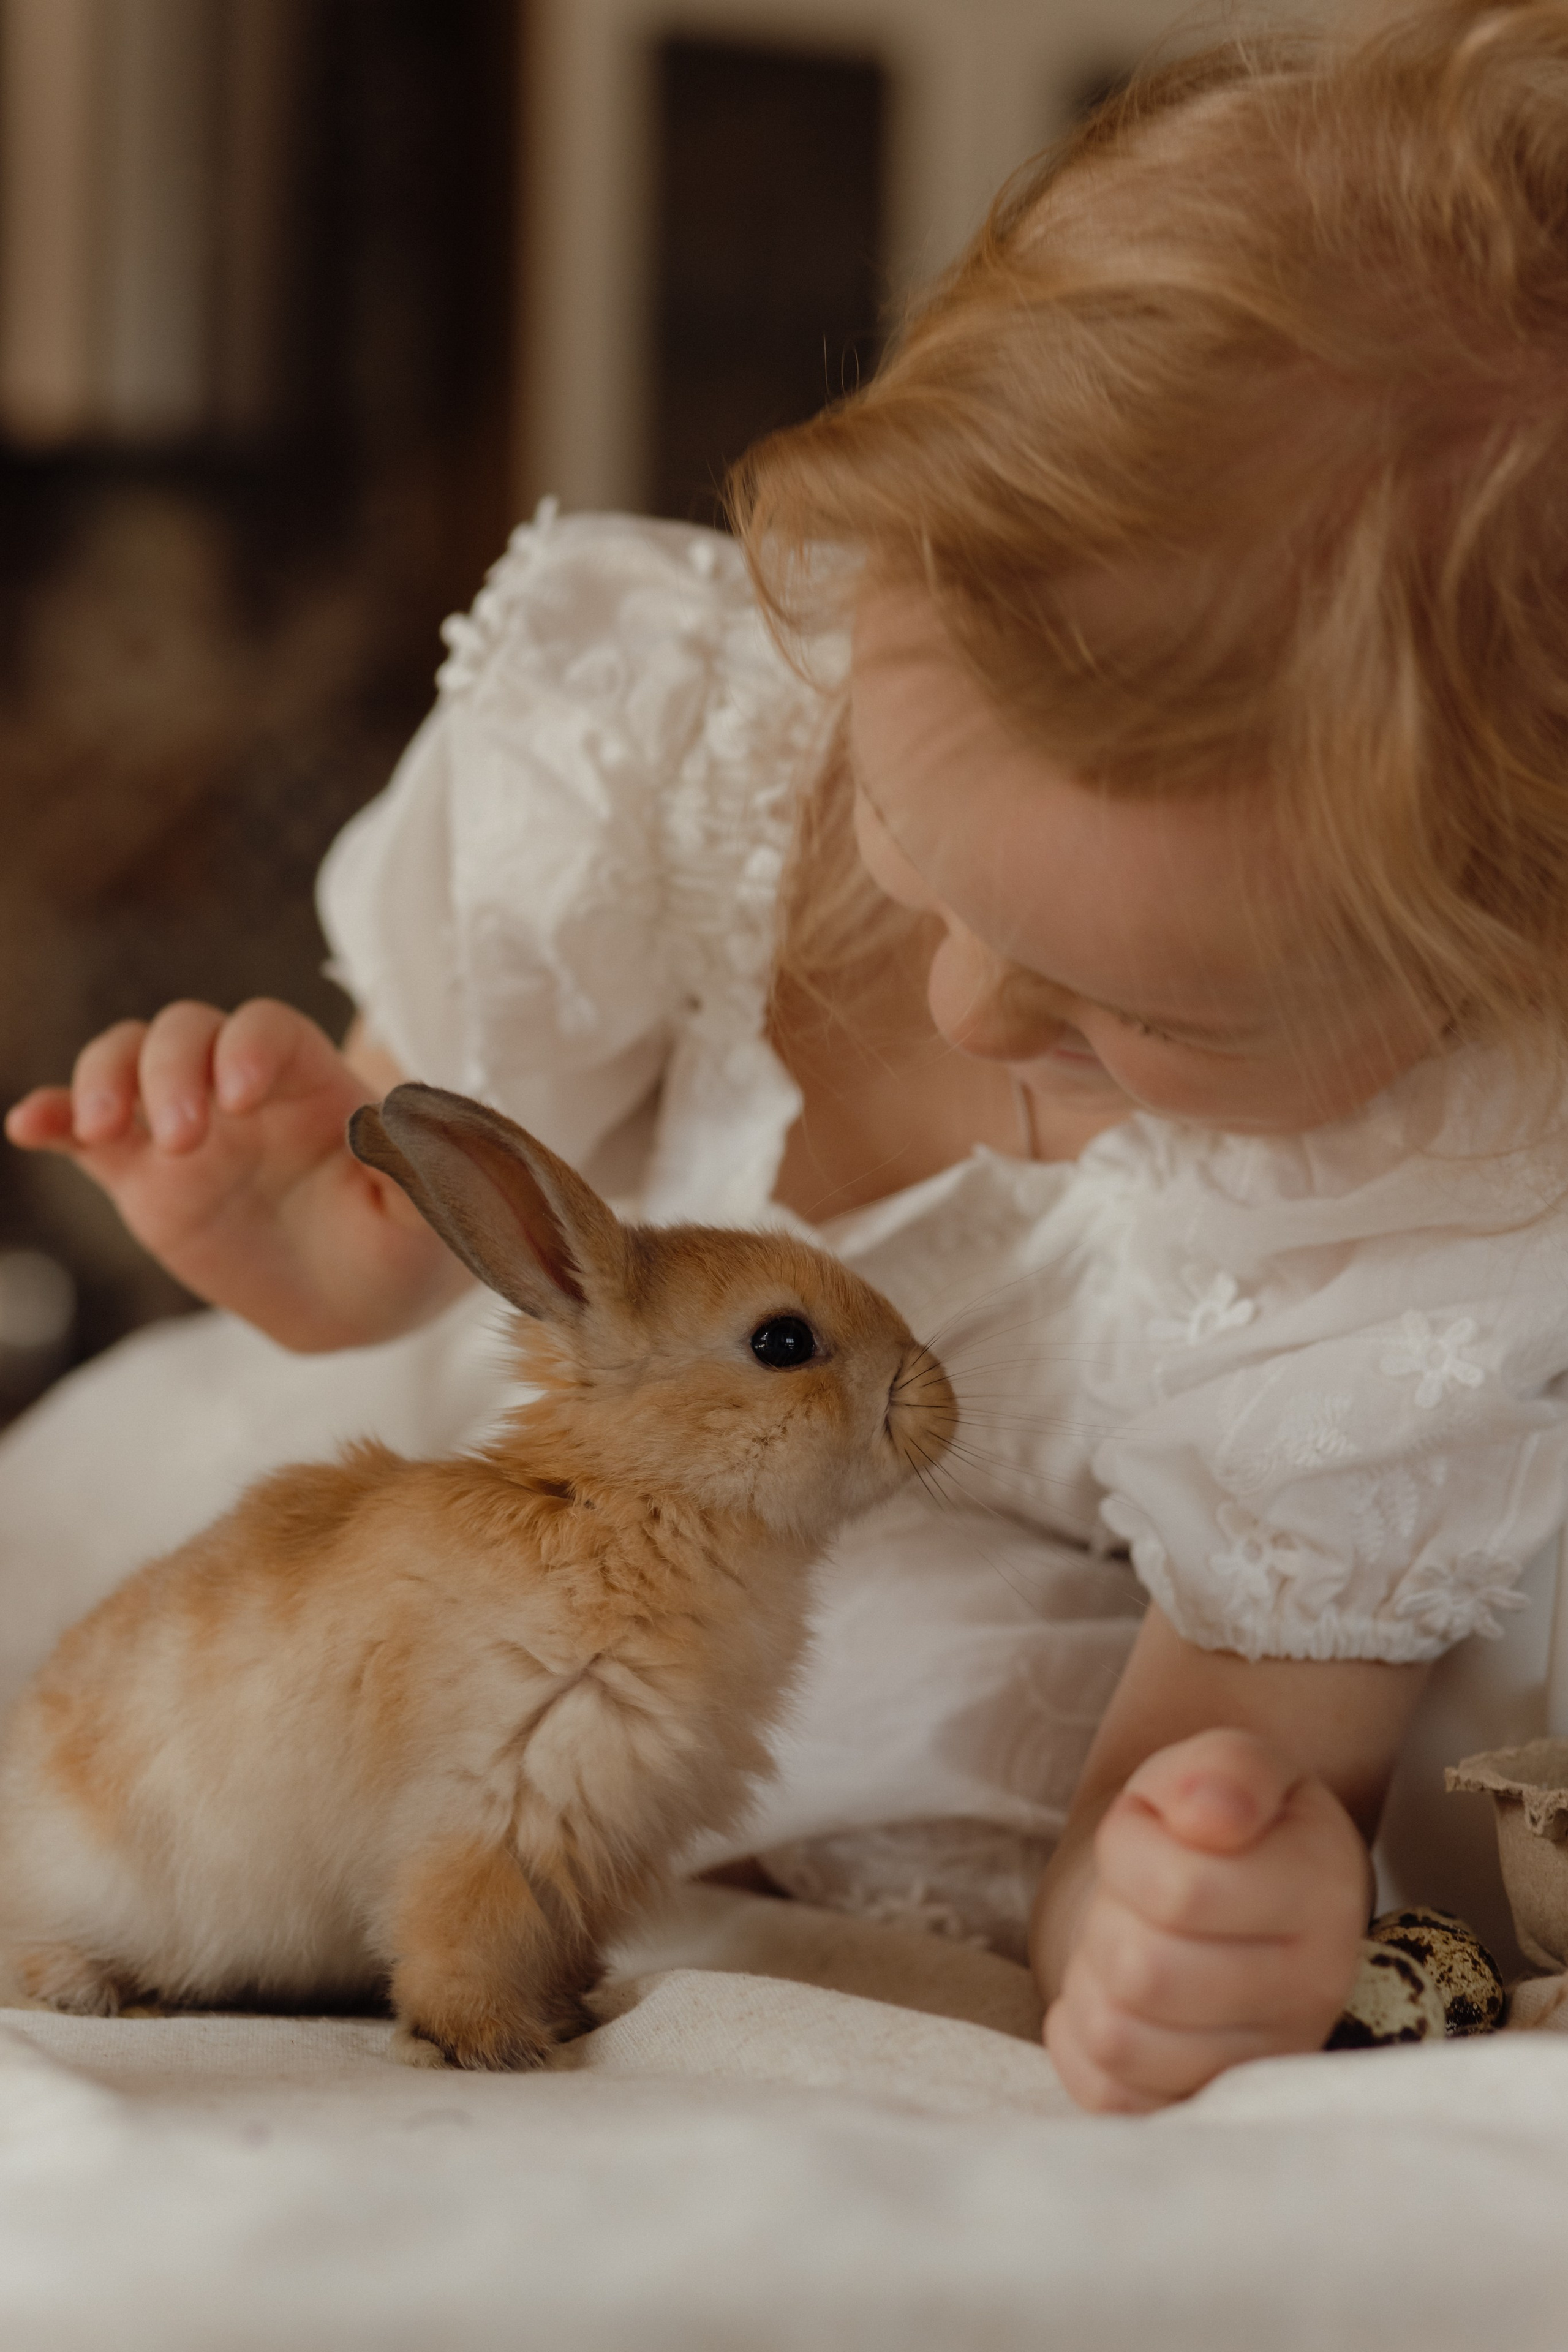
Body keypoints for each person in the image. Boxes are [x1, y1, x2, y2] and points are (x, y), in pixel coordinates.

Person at [7, 0, 1568, 2110]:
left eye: (1146, 1015)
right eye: (919, 856)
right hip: (521, 1473)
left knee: (895, 1771)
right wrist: (298, 1228)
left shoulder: (1391, 1232)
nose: (969, 1014)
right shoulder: (696, 744)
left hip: (999, 1650)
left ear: (1494, 970)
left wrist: (1187, 1909)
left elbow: (1193, 1780)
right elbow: (433, 1244)